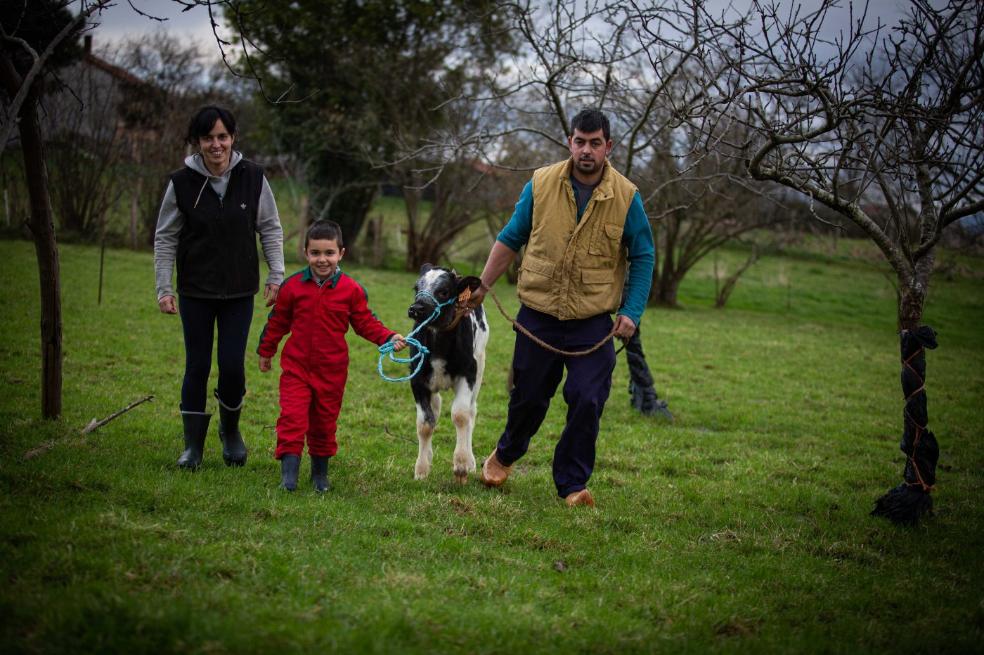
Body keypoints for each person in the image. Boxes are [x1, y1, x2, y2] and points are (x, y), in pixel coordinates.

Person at [468, 108, 655, 507]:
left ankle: (572, 484)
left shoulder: (627, 197)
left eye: (595, 143)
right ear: (569, 142)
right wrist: (483, 285)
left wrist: (632, 311)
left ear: (609, 146)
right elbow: (511, 236)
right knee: (529, 398)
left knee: (588, 399)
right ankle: (506, 453)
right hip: (538, 314)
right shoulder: (540, 183)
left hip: (593, 320)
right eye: (580, 141)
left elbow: (643, 255)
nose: (586, 150)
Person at [155, 105, 285, 470]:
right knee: (196, 365)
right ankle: (192, 447)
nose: (216, 144)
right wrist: (164, 288)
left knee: (231, 366)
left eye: (222, 136)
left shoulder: (254, 178)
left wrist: (276, 275)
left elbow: (271, 229)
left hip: (239, 291)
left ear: (233, 138)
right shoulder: (181, 183)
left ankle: (231, 433)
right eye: (208, 138)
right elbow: (165, 238)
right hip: (195, 291)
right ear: (197, 142)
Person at [257, 220, 407, 492]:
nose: (322, 259)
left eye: (329, 253)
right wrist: (266, 351)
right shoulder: (292, 287)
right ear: (306, 253)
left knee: (324, 422)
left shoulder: (351, 290)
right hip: (296, 369)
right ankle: (288, 476)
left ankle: (320, 475)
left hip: (332, 372)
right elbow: (277, 322)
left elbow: (365, 322)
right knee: (292, 418)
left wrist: (388, 337)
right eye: (315, 253)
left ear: (341, 254)